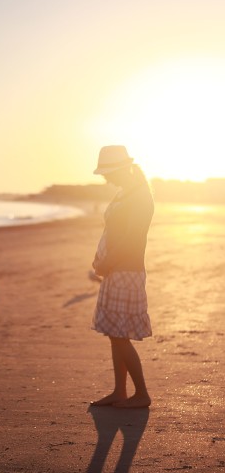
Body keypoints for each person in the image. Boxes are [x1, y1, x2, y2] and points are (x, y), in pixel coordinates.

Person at [90, 145, 154, 408]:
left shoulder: (139, 197)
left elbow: (131, 240)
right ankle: (120, 392)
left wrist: (107, 263)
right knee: (114, 333)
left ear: (120, 169)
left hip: (126, 270)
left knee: (120, 335)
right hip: (116, 269)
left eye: (108, 172)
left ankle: (141, 394)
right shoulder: (125, 193)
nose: (105, 178)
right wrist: (102, 261)